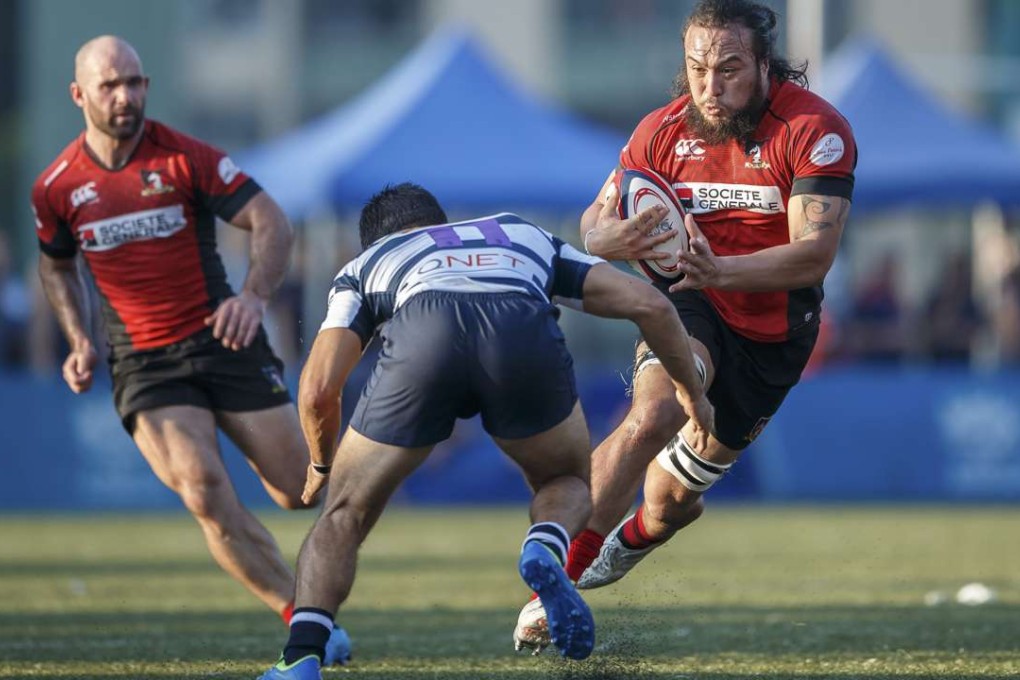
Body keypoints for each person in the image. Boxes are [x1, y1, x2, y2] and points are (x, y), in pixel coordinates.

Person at [257, 183, 714, 679]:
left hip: (422, 338)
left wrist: (323, 464)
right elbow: (651, 305)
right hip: (517, 330)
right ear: (442, 221)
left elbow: (319, 388)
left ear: (375, 239)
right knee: (565, 483)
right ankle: (544, 545)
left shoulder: (367, 265)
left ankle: (301, 657)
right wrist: (690, 392)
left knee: (343, 516)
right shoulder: (519, 232)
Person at [514, 0, 857, 652]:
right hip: (689, 303)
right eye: (697, 67)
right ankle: (555, 572)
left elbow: (815, 253)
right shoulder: (662, 131)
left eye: (728, 68)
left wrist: (722, 269)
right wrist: (609, 235)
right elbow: (593, 225)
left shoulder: (815, 128)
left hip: (773, 335)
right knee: (653, 414)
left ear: (763, 64)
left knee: (670, 503)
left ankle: (633, 536)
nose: (710, 84)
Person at [30, 35, 350, 665]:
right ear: (79, 96)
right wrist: (76, 338)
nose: (126, 96)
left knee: (298, 489)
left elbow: (271, 221)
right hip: (144, 362)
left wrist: (254, 298)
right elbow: (57, 267)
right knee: (203, 489)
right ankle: (306, 620)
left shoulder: (185, 157)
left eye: (135, 82)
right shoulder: (58, 186)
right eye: (110, 86)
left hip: (224, 339)